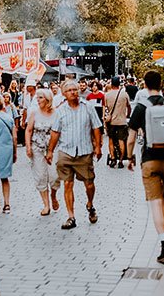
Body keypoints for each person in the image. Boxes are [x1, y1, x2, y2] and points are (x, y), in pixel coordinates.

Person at [126, 70, 164, 265]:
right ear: (161, 84)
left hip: (150, 159)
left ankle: (163, 245)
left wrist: (130, 157)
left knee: (155, 203)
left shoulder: (141, 107)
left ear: (145, 84)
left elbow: (131, 137)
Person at [46, 80, 103, 230]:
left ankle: (90, 204)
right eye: (69, 90)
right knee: (67, 184)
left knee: (89, 183)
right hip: (66, 151)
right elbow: (55, 132)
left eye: (75, 89)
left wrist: (98, 146)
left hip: (84, 151)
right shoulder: (60, 111)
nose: (73, 92)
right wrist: (50, 151)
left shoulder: (88, 107)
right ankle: (71, 217)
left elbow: (96, 127)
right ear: (64, 94)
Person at [26, 88, 60, 216]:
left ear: (48, 99)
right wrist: (28, 146)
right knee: (40, 176)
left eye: (40, 97)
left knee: (54, 177)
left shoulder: (56, 113)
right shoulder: (34, 112)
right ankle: (46, 205)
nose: (37, 100)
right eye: (37, 97)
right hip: (37, 148)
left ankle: (53, 195)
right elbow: (28, 130)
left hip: (54, 147)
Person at [105, 76, 131, 168]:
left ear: (111, 84)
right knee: (121, 141)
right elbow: (129, 107)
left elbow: (106, 108)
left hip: (111, 122)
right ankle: (120, 160)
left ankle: (112, 158)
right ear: (119, 84)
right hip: (122, 121)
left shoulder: (107, 95)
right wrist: (127, 115)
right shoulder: (124, 94)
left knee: (111, 140)